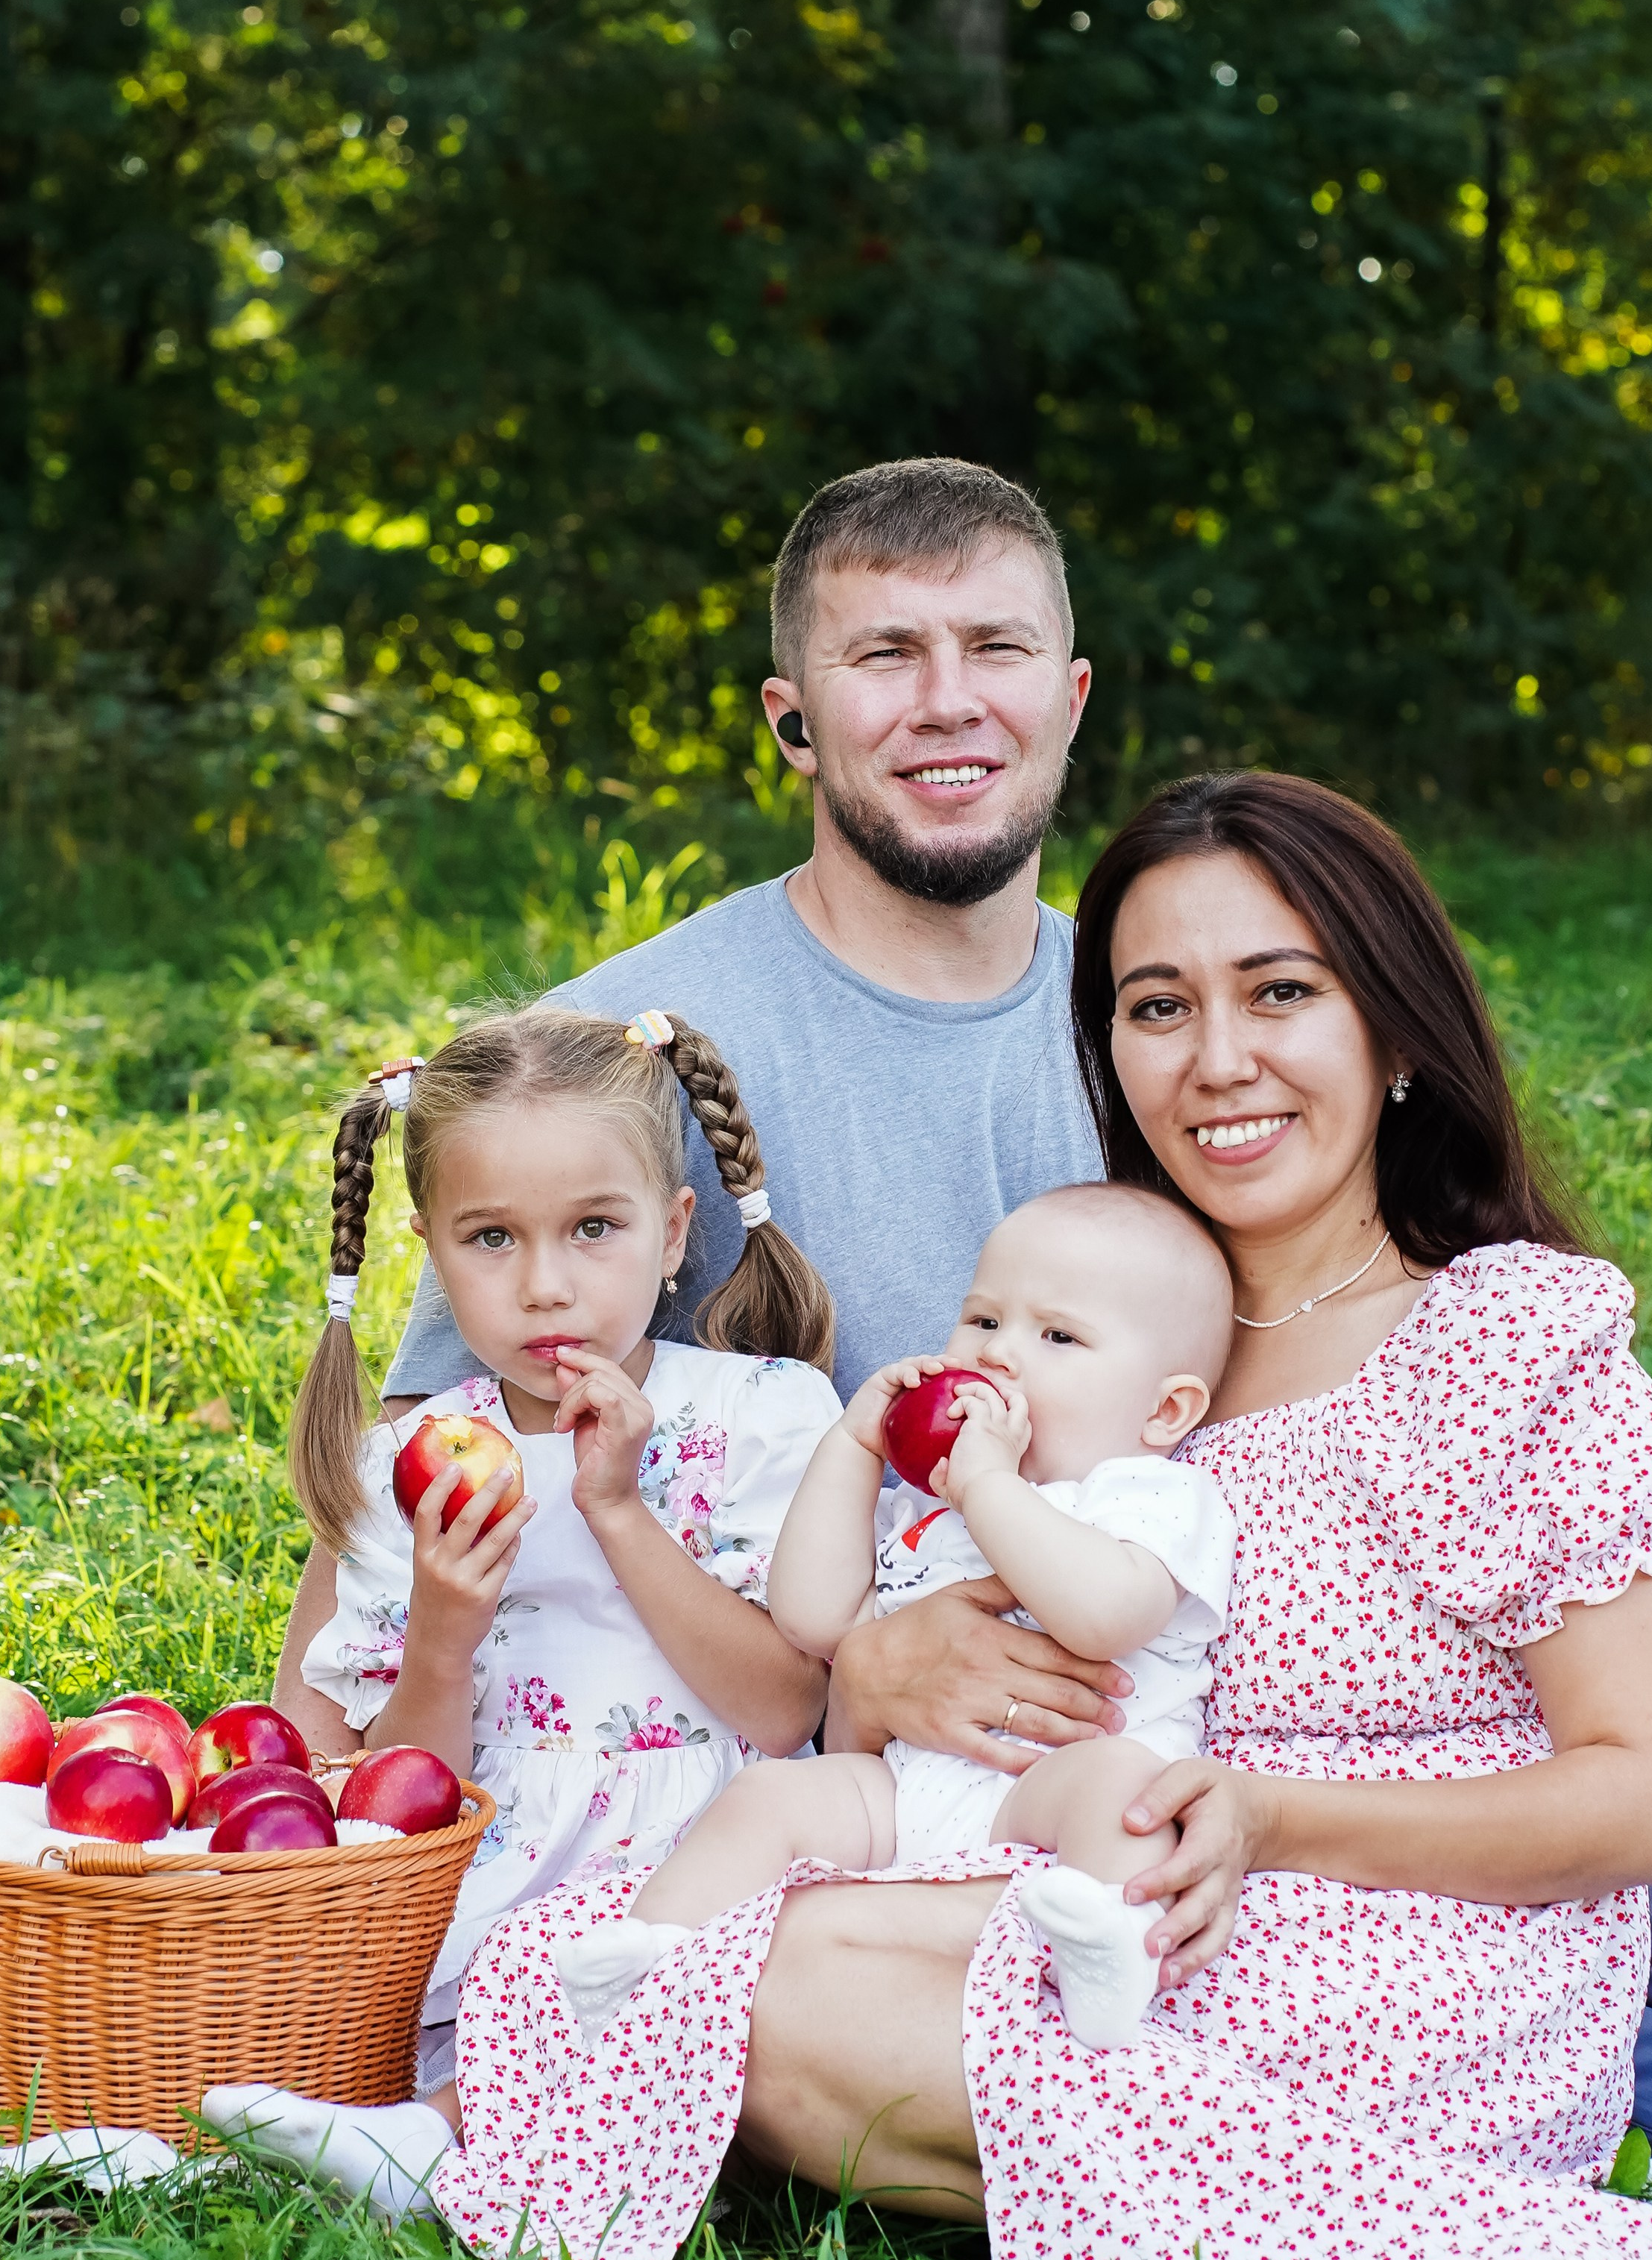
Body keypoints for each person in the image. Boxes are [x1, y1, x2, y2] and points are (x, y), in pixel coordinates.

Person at [360, 771, 1652, 2260]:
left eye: (1280, 991)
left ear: (1393, 1032)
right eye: (1157, 1006)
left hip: (1413, 1962)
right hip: (1096, 1895)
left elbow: (1649, 1798)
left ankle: (1490, 2253)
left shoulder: (1494, 1339)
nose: (1216, 1058)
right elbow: (903, 1636)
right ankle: (1311, 2243)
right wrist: (882, 1662)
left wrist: (1260, 1816)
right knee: (699, 1952)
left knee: (759, 1989)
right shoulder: (1100, 1319)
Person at [270, 455, 1119, 1777]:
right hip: (763, 1789)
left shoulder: (1165, 1029)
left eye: (995, 646)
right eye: (885, 655)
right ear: (792, 721)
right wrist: (314, 1837)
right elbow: (426, 1477)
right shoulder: (617, 1053)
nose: (949, 701)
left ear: (1069, 697)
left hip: (1118, 1726)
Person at [204, 1000, 841, 2199]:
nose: (546, 1287)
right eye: (490, 1239)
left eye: (593, 1228)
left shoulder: (763, 1416)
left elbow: (783, 1704)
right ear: (431, 1250)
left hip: (703, 1838)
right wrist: (443, 1631)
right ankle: (399, 2128)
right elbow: (396, 1796)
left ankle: (428, 2138)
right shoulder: (413, 1464)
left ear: (672, 1233)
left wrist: (618, 1512)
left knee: (654, 1961)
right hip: (495, 1845)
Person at [555, 1184, 1236, 2053]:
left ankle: (1109, 1951)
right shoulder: (928, 1505)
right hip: (909, 1795)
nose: (1000, 1358)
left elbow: (1104, 1615)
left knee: (1123, 1791)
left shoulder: (1147, 1493)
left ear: (1164, 1410)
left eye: (1056, 1336)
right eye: (982, 1321)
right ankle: (652, 1957)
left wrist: (988, 1485)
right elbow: (815, 1617)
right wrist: (854, 1447)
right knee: (770, 1792)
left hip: (1055, 1795)